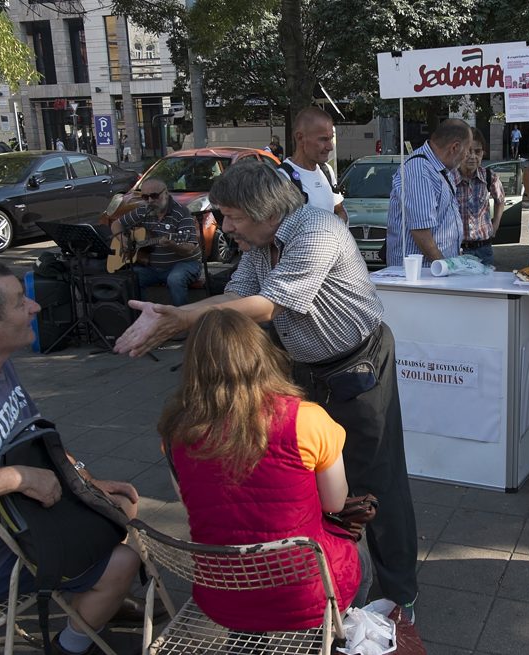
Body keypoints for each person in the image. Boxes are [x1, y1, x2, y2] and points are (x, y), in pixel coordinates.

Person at [112, 159, 420, 621]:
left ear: (265, 210)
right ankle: (320, 576)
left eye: (232, 216)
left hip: (358, 367)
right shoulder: (260, 244)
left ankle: (400, 597)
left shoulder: (315, 230)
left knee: (380, 482)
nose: (224, 227)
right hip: (307, 367)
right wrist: (174, 317)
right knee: (313, 476)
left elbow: (270, 304)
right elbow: (232, 300)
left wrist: (183, 320)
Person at [0, 263, 143, 655]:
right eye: (21, 301)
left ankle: (97, 602)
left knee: (119, 505)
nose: (36, 306)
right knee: (123, 559)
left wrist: (84, 481)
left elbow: (37, 436)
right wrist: (18, 477)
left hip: (16, 523)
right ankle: (71, 644)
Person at [158, 309, 362, 631]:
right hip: (304, 592)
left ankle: (245, 644)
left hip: (222, 594)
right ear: (261, 355)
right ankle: (331, 640)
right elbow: (335, 504)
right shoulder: (307, 419)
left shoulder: (176, 432)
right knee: (359, 561)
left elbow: (189, 504)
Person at [385, 118, 471, 267]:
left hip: (432, 273)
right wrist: (444, 267)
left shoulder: (439, 168)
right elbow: (421, 231)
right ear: (455, 148)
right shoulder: (419, 170)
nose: (467, 156)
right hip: (420, 276)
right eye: (467, 150)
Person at [111, 177, 202, 306]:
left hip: (184, 263)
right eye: (145, 197)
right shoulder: (144, 211)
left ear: (165, 193)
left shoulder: (181, 212)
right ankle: (141, 317)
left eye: (154, 196)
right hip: (152, 267)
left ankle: (181, 319)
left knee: (175, 279)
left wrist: (173, 245)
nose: (150, 201)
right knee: (130, 278)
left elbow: (190, 248)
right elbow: (116, 224)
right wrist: (123, 240)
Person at [279, 106, 347, 220]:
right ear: (300, 138)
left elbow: (339, 210)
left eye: (331, 139)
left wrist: (336, 228)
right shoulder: (282, 178)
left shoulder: (327, 171)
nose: (330, 147)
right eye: (323, 139)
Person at [455, 127, 505, 267]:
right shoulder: (449, 179)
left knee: (486, 288)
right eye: (468, 151)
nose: (473, 156)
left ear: (483, 153)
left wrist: (495, 225)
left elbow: (500, 200)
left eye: (477, 151)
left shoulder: (490, 177)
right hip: (457, 250)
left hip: (484, 249)